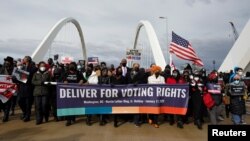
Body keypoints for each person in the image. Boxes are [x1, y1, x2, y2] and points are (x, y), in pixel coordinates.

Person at [63, 62, 84, 126]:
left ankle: (73, 117)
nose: (71, 66)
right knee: (68, 106)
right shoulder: (66, 73)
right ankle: (68, 120)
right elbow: (61, 79)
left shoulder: (78, 73)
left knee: (74, 106)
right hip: (68, 92)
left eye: (73, 65)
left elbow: (83, 79)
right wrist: (64, 80)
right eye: (70, 65)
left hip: (75, 92)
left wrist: (81, 81)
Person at [17, 56, 37, 122]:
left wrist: (21, 76)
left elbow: (29, 76)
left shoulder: (33, 68)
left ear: (27, 60)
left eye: (24, 58)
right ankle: (25, 112)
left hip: (29, 88)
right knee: (20, 101)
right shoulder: (22, 67)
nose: (23, 59)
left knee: (28, 103)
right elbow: (17, 76)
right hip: (22, 87)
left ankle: (27, 116)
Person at [0, 56, 14, 122]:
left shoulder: (14, 69)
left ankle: (6, 115)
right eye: (6, 61)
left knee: (8, 102)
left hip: (10, 88)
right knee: (1, 102)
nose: (6, 62)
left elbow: (20, 78)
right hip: (2, 88)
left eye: (7, 61)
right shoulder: (2, 68)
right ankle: (5, 112)